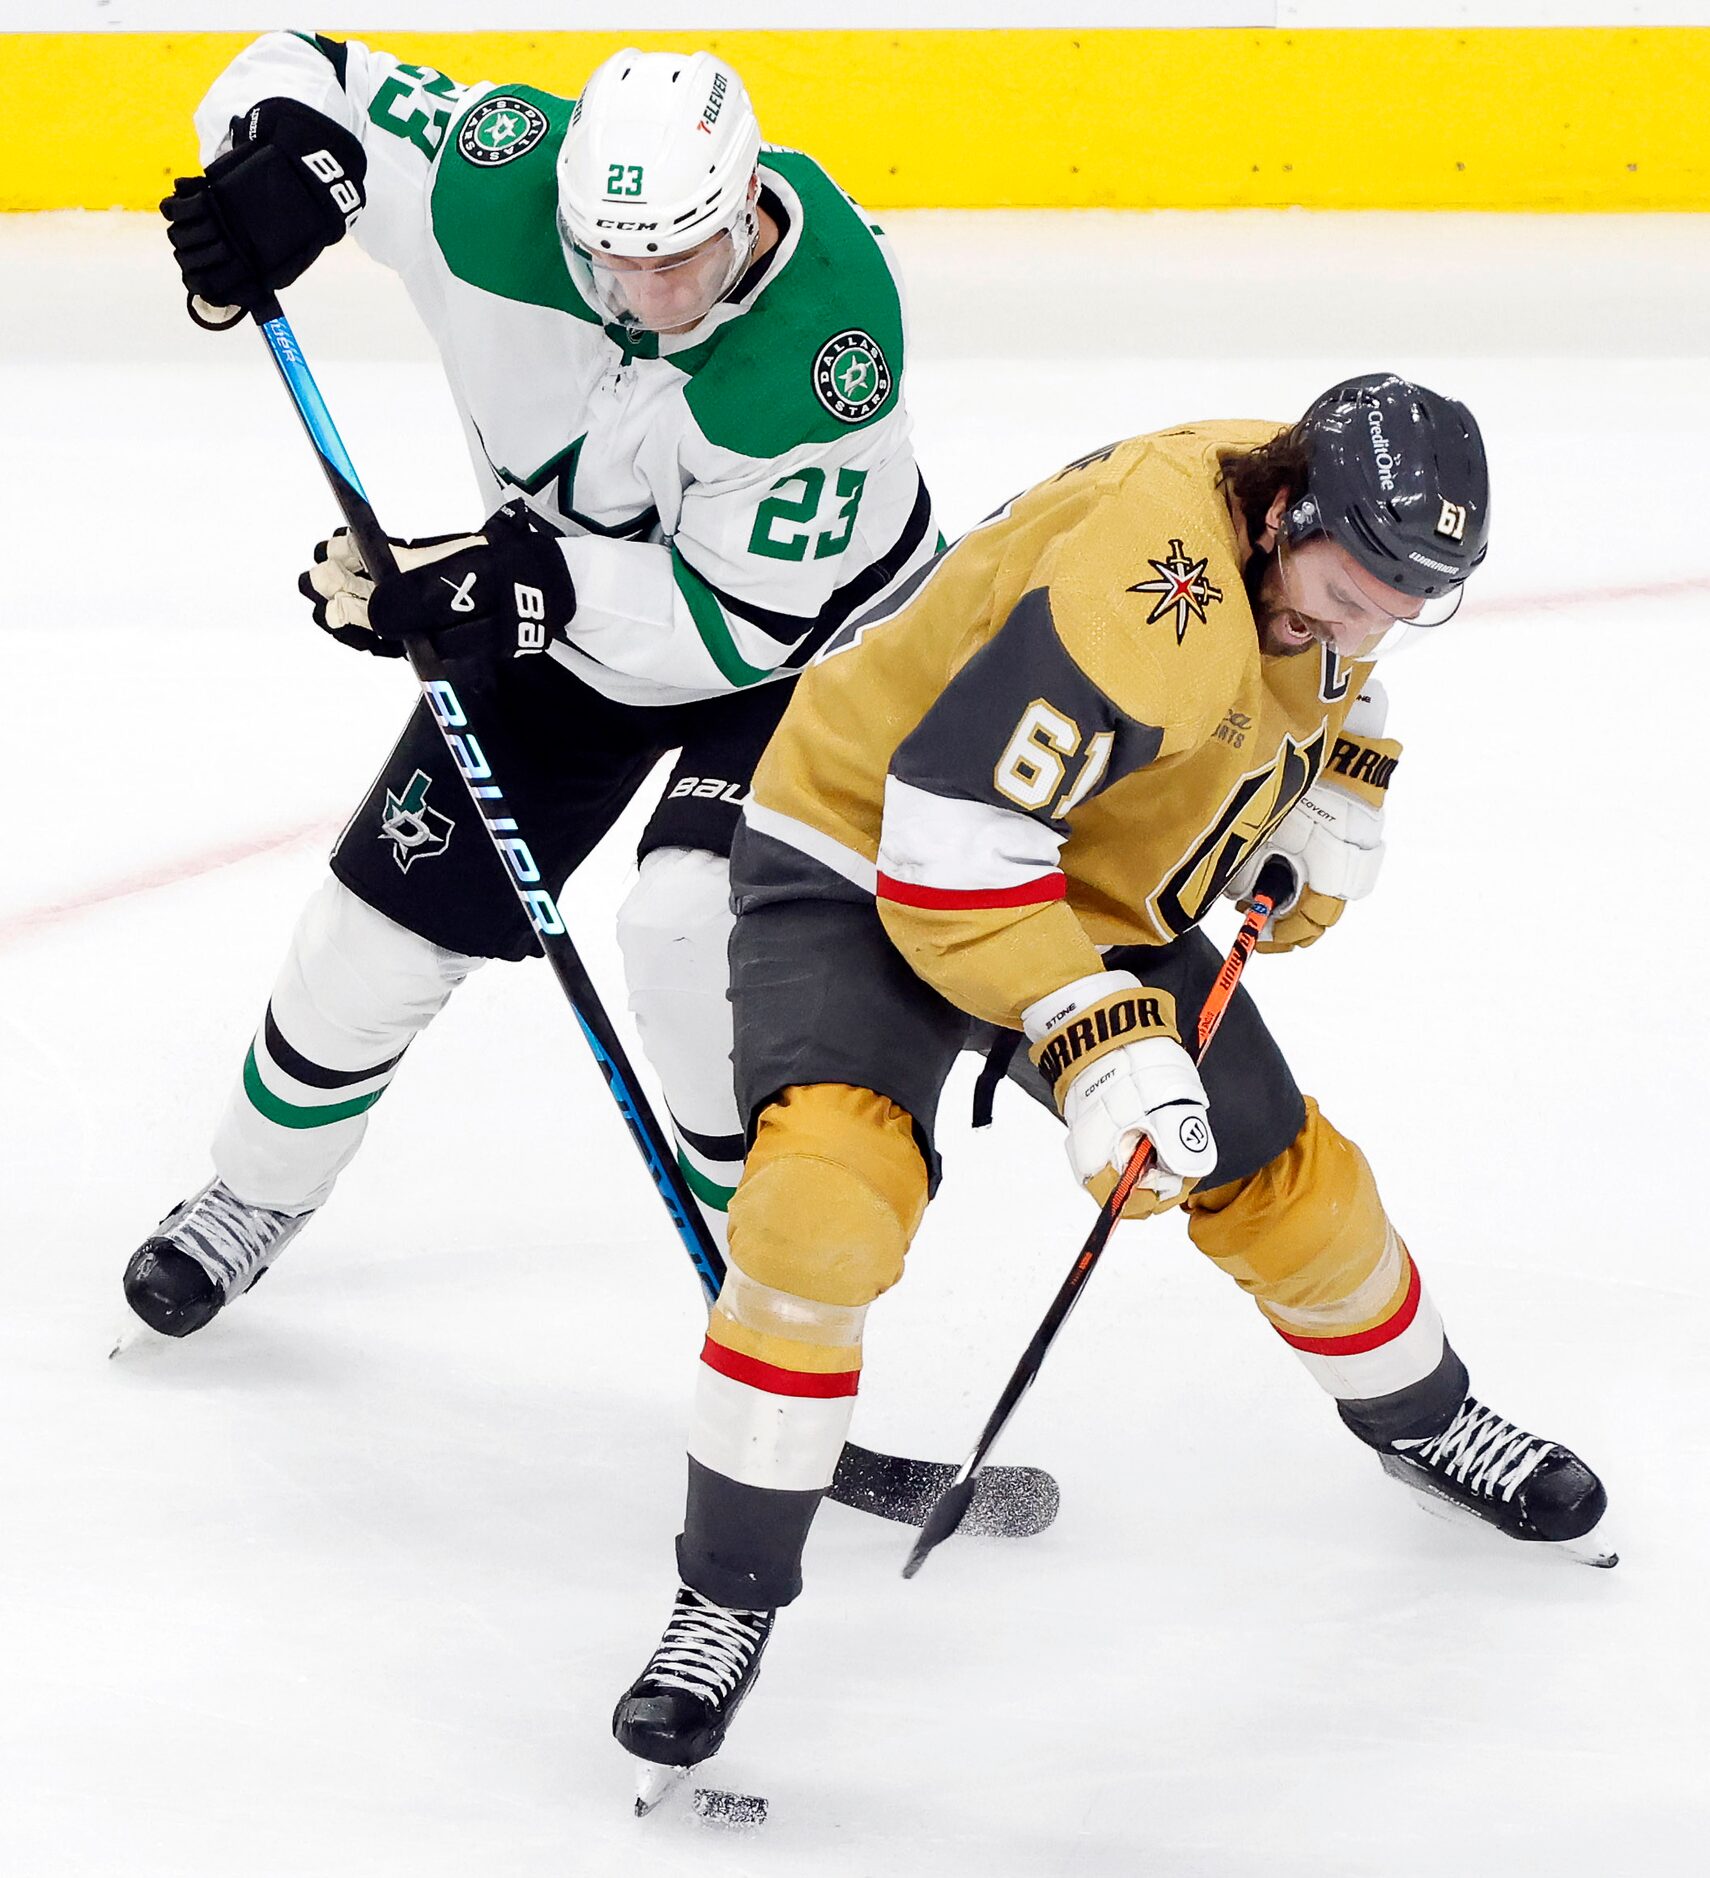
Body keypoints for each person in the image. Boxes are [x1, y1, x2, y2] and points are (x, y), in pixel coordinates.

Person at [611, 376, 1613, 1774]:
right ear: (1278, 514)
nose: (1365, 621)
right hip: (866, 844)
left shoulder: (1304, 540)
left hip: (1075, 870)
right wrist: (1097, 1043)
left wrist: (1341, 768)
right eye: (1349, 587)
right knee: (820, 1209)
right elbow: (952, 850)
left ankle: (1429, 1424)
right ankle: (719, 1602)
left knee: (1281, 1179)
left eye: (1405, 601)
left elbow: (1324, 667)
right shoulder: (1149, 593)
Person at [123, 36, 935, 1333]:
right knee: (372, 937)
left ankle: (775, 1276)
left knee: (689, 933)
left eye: (681, 253)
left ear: (743, 203)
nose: (645, 287)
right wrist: (284, 158)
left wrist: (522, 586)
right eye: (614, 252)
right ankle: (250, 1193)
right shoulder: (495, 177)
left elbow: (738, 623)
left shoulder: (827, 342)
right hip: (558, 608)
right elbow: (308, 60)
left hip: (811, 650)